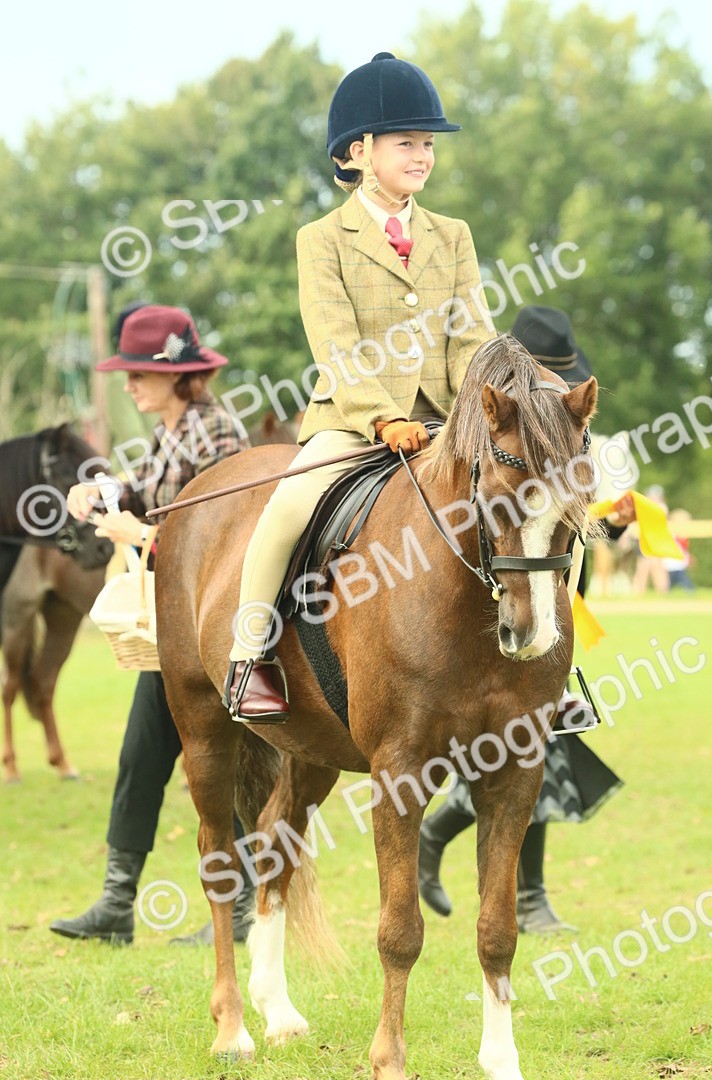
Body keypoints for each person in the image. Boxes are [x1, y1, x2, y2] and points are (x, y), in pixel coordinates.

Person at [222, 51, 494, 721]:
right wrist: (378, 417)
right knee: (287, 509)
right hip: (350, 419)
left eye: (428, 144)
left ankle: (553, 666)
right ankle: (248, 656)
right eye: (408, 142)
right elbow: (335, 344)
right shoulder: (321, 239)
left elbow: (470, 337)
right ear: (358, 151)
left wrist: (484, 412)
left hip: (444, 421)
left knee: (527, 503)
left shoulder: (453, 235)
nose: (423, 155)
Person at [418, 305, 630, 934]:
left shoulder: (564, 426)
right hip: (420, 443)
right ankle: (258, 648)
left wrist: (604, 521)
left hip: (534, 569)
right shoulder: (493, 406)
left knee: (532, 749)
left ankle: (555, 676)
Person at [50, 305, 252, 945]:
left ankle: (242, 908)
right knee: (141, 758)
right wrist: (100, 490)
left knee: (222, 766)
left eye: (139, 372)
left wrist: (138, 535)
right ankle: (116, 904)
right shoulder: (174, 429)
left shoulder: (217, 433)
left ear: (179, 376)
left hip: (212, 633)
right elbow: (143, 490)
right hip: (173, 634)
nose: (129, 383)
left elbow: (229, 536)